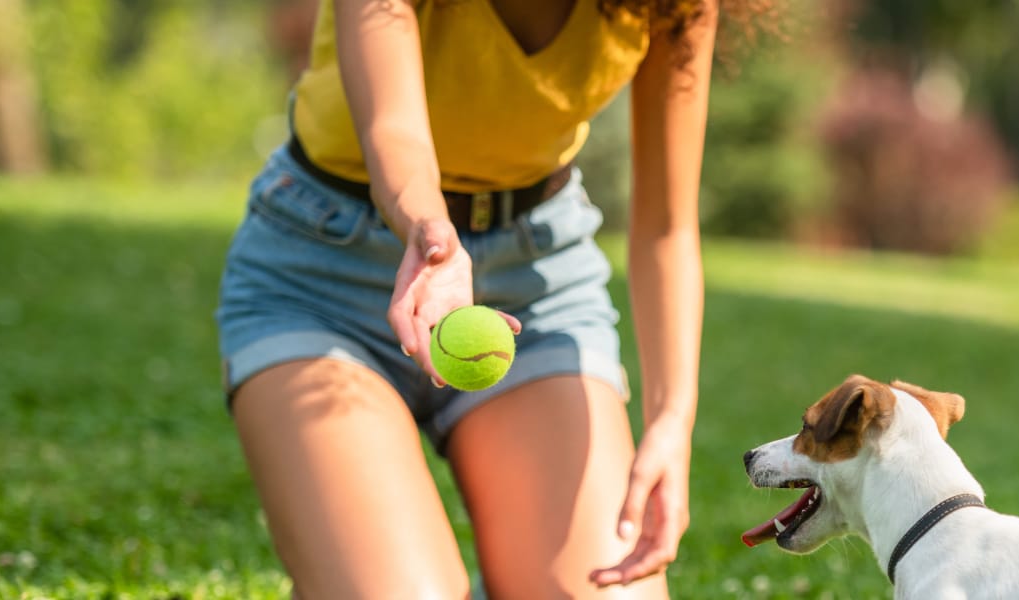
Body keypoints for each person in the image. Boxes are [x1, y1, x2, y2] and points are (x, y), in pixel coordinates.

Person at [214, 0, 745, 596]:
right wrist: (431, 236)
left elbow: (667, 225)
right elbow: (395, 129)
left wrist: (672, 420)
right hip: (323, 276)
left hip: (537, 287)